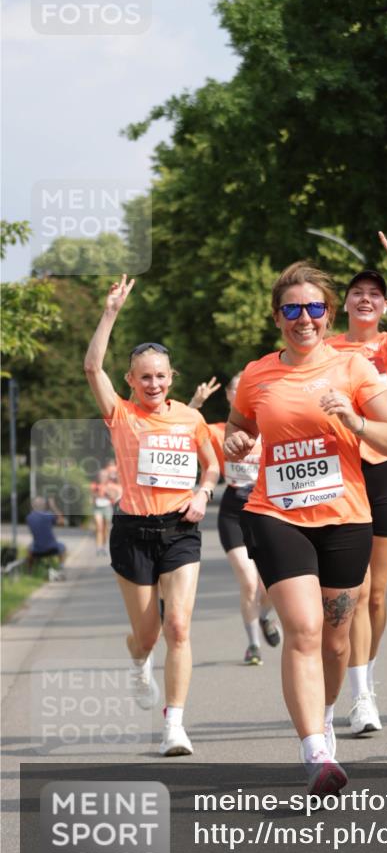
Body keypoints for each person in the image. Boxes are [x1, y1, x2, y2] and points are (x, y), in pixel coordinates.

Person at [224, 261, 387, 794]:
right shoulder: (259, 373)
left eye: (314, 308)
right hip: (276, 514)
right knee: (303, 630)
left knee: (335, 639)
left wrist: (355, 422)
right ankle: (315, 750)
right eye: (292, 309)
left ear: (328, 313)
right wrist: (236, 441)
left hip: (346, 518)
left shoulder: (355, 369)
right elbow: (239, 427)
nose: (304, 318)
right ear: (277, 316)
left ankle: (325, 716)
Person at [84, 274, 219, 756]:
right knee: (148, 634)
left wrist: (204, 491)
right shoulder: (121, 415)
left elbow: (213, 463)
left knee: (179, 627)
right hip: (133, 532)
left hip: (180, 530)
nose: (154, 384)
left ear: (172, 377)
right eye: (145, 377)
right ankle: (139, 662)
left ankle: (174, 726)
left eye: (161, 376)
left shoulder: (190, 418)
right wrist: (111, 312)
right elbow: (91, 366)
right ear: (131, 381)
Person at [328, 225, 387, 735]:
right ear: (345, 305)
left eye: (375, 295)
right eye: (358, 294)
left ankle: (366, 675)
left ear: (383, 308)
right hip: (341, 472)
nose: (367, 300)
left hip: (384, 466)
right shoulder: (327, 349)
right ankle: (362, 695)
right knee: (354, 592)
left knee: (377, 594)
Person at [190, 374, 281, 666]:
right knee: (248, 581)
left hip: (266, 509)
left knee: (269, 585)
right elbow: (184, 428)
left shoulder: (270, 428)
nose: (242, 393)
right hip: (233, 511)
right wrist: (196, 403)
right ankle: (253, 645)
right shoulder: (219, 431)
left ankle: (266, 615)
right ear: (230, 397)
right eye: (236, 389)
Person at [26, 497, 66, 575]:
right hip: (53, 548)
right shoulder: (48, 515)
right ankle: (61, 567)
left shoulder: (29, 517)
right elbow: (62, 522)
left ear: (33, 506)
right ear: (44, 506)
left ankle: (29, 572)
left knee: (29, 549)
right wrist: (53, 506)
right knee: (63, 547)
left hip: (37, 550)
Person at [90, 462, 122, 556]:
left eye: (104, 475)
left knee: (106, 528)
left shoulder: (111, 485)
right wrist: (97, 493)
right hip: (97, 508)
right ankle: (98, 547)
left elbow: (115, 496)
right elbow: (92, 496)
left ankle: (103, 546)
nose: (102, 477)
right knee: (99, 527)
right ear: (98, 476)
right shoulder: (94, 485)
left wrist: (107, 491)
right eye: (101, 475)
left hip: (107, 507)